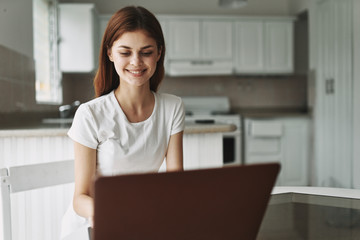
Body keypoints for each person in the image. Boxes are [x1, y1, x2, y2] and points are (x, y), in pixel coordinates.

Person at [60, 6, 185, 239]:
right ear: (110, 53)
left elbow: (175, 184)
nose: (136, 62)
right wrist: (112, 212)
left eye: (146, 52)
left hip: (139, 221)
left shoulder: (172, 107)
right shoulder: (90, 114)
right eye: (125, 52)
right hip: (91, 226)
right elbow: (80, 198)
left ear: (159, 53)